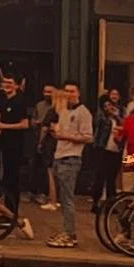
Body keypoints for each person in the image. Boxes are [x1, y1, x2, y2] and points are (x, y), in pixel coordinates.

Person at [0, 75, 35, 240]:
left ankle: (12, 213)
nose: (6, 85)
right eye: (4, 82)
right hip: (1, 143)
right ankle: (6, 213)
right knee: (4, 179)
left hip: (14, 145)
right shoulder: (1, 100)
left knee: (12, 179)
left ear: (16, 85)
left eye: (10, 83)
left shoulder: (20, 101)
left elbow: (25, 124)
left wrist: (4, 126)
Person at [47, 81, 92, 248]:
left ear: (78, 93)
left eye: (72, 91)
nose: (69, 94)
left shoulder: (83, 112)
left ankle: (70, 234)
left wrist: (65, 136)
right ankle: (66, 230)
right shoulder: (64, 111)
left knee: (67, 199)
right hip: (60, 156)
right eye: (66, 91)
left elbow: (88, 137)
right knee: (62, 199)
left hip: (71, 158)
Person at [88, 93, 123, 210]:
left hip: (116, 151)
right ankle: (95, 202)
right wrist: (106, 114)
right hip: (102, 150)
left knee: (111, 179)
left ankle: (111, 205)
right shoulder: (102, 117)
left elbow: (125, 126)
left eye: (110, 105)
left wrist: (117, 116)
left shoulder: (118, 118)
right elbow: (97, 123)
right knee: (100, 177)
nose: (108, 108)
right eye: (105, 106)